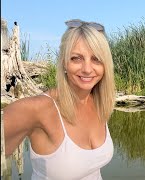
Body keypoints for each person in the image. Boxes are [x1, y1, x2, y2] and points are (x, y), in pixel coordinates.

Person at [3, 19, 116, 179]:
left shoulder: (100, 103)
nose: (87, 69)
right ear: (63, 62)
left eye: (96, 59)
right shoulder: (36, 109)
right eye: (76, 58)